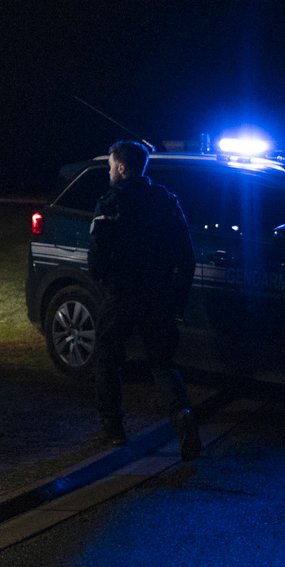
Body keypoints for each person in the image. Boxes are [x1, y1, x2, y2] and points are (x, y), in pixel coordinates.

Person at [88, 140, 202, 459]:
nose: (109, 171)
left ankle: (113, 431)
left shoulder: (111, 203)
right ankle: (183, 417)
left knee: (109, 359)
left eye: (111, 166)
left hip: (121, 295)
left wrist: (106, 282)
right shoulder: (167, 201)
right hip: (159, 296)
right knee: (163, 363)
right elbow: (186, 258)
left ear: (122, 168)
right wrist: (176, 301)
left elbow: (95, 257)